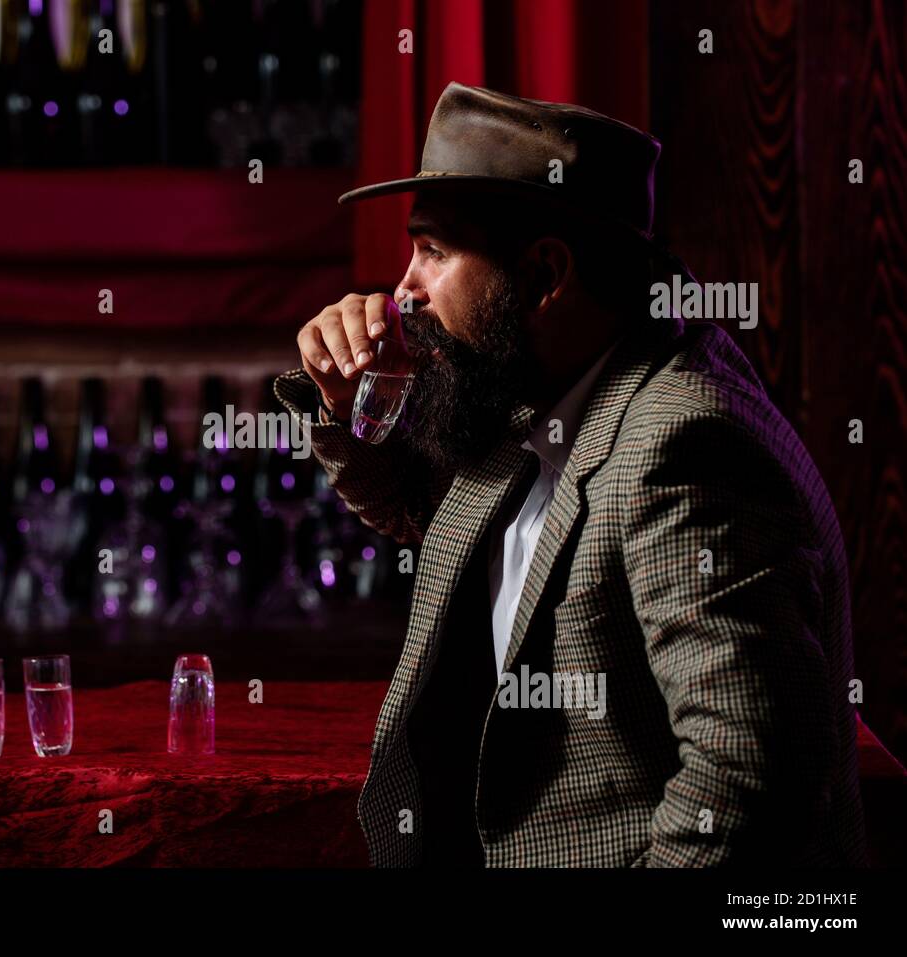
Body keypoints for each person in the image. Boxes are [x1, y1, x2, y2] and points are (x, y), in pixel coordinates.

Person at [275, 82, 867, 867]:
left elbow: (749, 791)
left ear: (545, 276)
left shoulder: (683, 446)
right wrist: (354, 401)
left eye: (435, 250)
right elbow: (447, 524)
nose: (402, 291)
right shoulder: (539, 387)